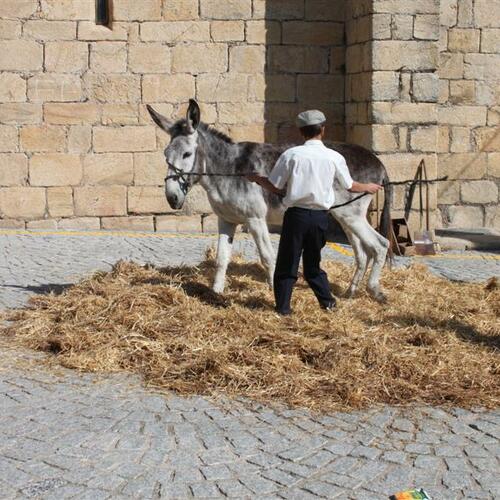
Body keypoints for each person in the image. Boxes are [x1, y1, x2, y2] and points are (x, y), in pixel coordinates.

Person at [246, 110, 383, 316]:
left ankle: (283, 309)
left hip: (296, 216)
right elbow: (350, 185)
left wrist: (257, 179)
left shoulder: (291, 155)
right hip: (320, 218)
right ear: (323, 129)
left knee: (287, 266)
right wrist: (368, 187)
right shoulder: (334, 157)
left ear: (301, 132)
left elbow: (275, 186)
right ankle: (328, 303)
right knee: (313, 266)